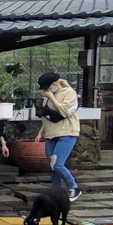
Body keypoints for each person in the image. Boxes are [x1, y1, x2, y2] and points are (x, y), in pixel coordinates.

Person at [33, 72, 83, 202]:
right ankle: (57, 192)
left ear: (55, 84)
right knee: (52, 166)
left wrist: (52, 98)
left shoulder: (69, 93)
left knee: (58, 164)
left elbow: (65, 111)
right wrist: (41, 132)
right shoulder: (47, 96)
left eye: (47, 87)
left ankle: (74, 187)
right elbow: (46, 115)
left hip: (67, 132)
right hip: (51, 134)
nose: (46, 91)